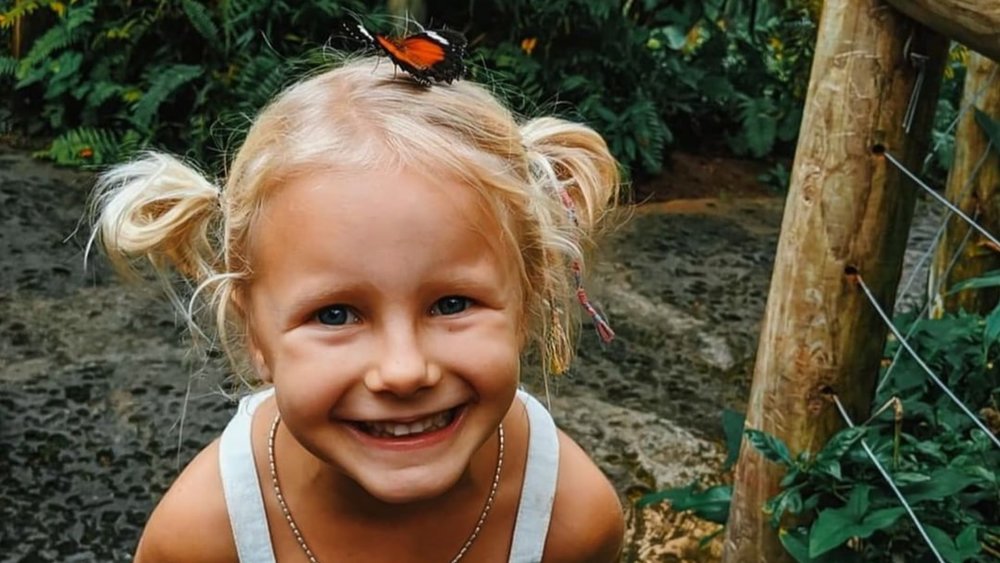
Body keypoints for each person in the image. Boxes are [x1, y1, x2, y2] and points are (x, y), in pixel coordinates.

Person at [92, 54, 624, 562]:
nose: (404, 371)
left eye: (452, 304)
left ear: (528, 300)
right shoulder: (202, 539)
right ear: (254, 332)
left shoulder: (571, 521)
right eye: (335, 315)